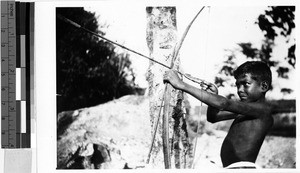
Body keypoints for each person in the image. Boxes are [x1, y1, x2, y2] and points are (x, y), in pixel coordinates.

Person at [163, 61, 274, 169]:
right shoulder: (247, 110)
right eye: (238, 85)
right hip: (232, 168)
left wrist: (181, 85)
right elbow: (213, 117)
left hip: (242, 168)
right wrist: (213, 95)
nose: (240, 90)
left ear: (263, 86)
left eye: (246, 84)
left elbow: (223, 103)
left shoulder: (262, 110)